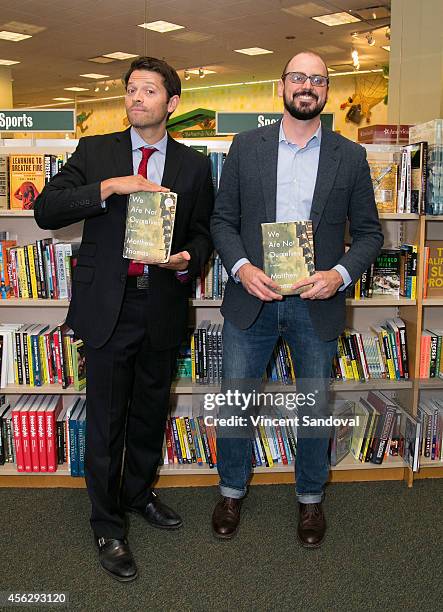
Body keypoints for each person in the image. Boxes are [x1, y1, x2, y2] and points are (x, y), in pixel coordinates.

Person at [34, 57, 214, 581]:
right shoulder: (97, 152)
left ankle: (138, 494)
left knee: (149, 412)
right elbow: (47, 210)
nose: (137, 98)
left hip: (161, 302)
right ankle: (107, 523)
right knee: (107, 418)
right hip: (108, 306)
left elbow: (202, 232)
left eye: (149, 91)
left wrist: (188, 260)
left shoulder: (194, 165)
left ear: (171, 103)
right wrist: (110, 187)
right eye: (131, 90)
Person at [210, 51, 383, 547]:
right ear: (281, 85)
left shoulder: (349, 156)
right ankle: (230, 491)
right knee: (238, 405)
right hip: (253, 299)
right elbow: (222, 220)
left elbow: (369, 234)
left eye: (318, 80)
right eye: (298, 77)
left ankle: (310, 500)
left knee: (313, 405)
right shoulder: (246, 147)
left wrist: (339, 275)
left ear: (327, 91)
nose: (307, 86)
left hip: (317, 302)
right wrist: (242, 269)